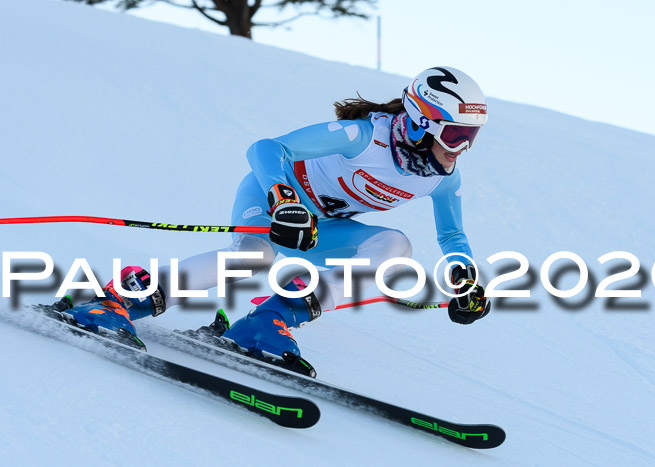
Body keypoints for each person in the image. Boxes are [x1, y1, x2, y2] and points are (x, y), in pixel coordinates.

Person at [50, 66, 492, 375]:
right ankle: (116, 299)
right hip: (272, 202)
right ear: (419, 121)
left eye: (469, 138)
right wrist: (284, 200)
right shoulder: (364, 135)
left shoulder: (441, 180)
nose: (460, 148)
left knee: (394, 246)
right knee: (252, 257)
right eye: (454, 134)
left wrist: (466, 279)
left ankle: (270, 321)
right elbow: (266, 148)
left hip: (318, 228)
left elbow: (451, 233)